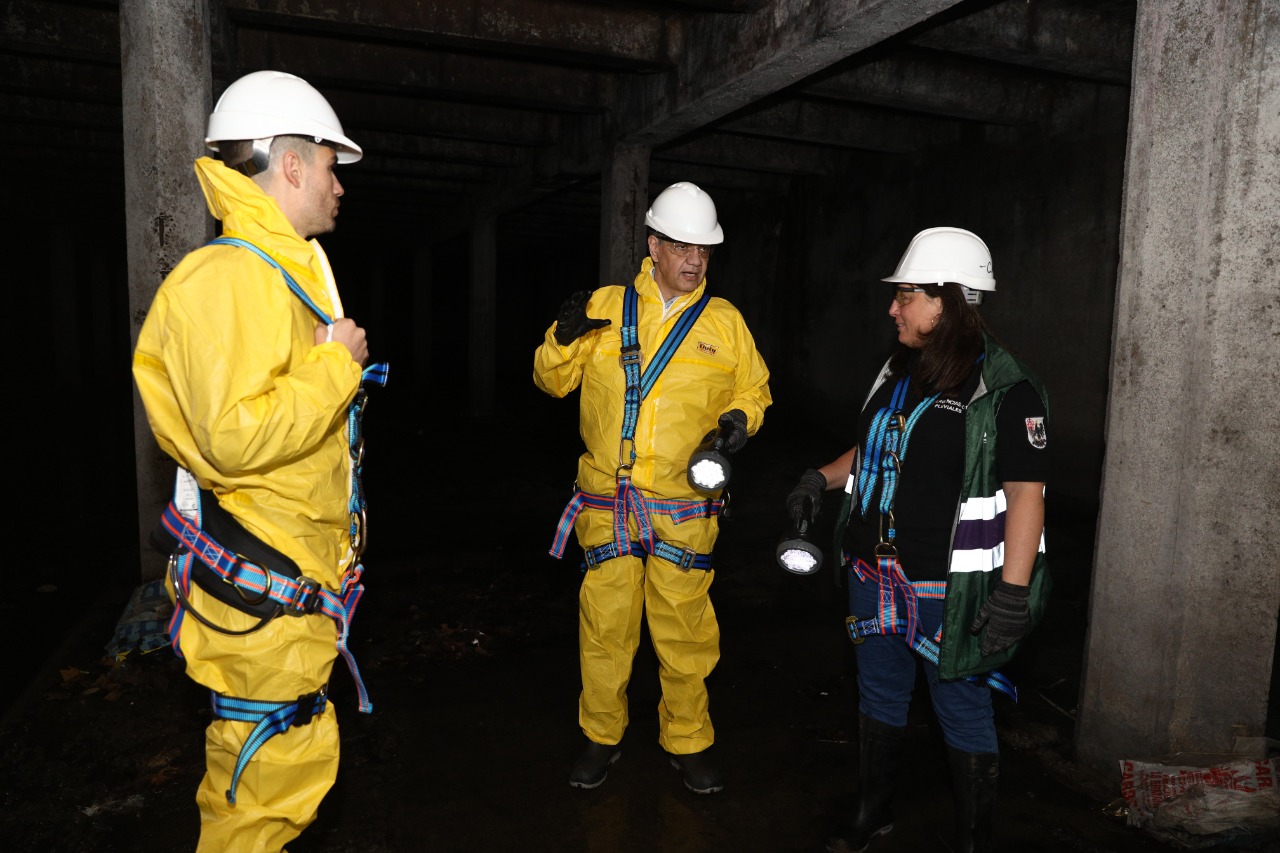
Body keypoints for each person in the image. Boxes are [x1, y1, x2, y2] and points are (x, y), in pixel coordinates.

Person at [132, 70, 385, 851]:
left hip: (289, 594)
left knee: (280, 785)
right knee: (258, 801)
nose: (340, 184)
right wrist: (337, 364)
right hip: (261, 604)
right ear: (292, 164)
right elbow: (232, 437)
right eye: (330, 164)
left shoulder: (278, 272)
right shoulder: (227, 277)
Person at [784, 227, 1050, 853]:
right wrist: (819, 478)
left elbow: (1027, 496)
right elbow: (879, 445)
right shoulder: (900, 368)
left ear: (948, 301)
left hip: (945, 587)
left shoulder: (1006, 389)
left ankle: (973, 841)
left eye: (906, 296)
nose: (892, 309)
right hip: (869, 575)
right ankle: (872, 815)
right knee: (878, 691)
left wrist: (1012, 593)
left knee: (960, 706)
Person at [534, 181, 772, 794]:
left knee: (685, 629)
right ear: (654, 245)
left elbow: (755, 389)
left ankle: (688, 740)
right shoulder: (607, 307)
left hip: (687, 506)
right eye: (683, 245)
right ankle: (601, 737)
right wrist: (561, 340)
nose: (695, 259)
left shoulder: (725, 322)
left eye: (705, 249)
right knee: (606, 627)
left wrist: (740, 421)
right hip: (608, 502)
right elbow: (551, 383)